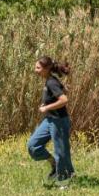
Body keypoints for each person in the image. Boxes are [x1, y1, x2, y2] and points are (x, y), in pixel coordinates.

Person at [27, 56, 74, 187]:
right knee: (33, 145)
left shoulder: (51, 82)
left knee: (61, 151)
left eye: (38, 68)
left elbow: (64, 100)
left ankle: (64, 180)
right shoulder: (50, 81)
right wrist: (47, 102)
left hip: (59, 121)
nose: (35, 70)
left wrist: (46, 107)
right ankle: (54, 165)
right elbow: (59, 93)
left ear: (47, 69)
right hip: (50, 120)